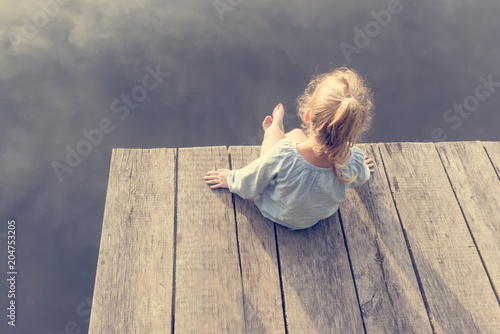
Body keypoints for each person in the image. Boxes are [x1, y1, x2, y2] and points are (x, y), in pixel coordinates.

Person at [204, 67, 375, 230]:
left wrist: (231, 179)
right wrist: (363, 167)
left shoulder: (284, 155)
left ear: (308, 115)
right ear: (355, 127)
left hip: (274, 213)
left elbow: (250, 183)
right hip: (314, 219)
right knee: (298, 135)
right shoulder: (354, 161)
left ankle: (274, 129)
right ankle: (278, 132)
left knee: (286, 139)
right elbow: (361, 178)